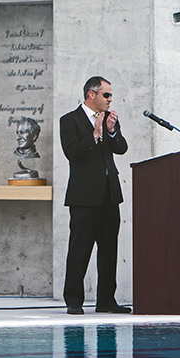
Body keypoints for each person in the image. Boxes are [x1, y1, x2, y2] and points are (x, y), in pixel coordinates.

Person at [59, 76, 131, 315]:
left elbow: (121, 148)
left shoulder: (111, 119)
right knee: (80, 249)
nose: (110, 99)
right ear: (92, 94)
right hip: (84, 197)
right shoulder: (70, 120)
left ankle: (106, 301)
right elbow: (73, 153)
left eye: (111, 95)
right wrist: (94, 133)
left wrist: (110, 132)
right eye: (106, 95)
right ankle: (73, 300)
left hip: (110, 194)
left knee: (109, 250)